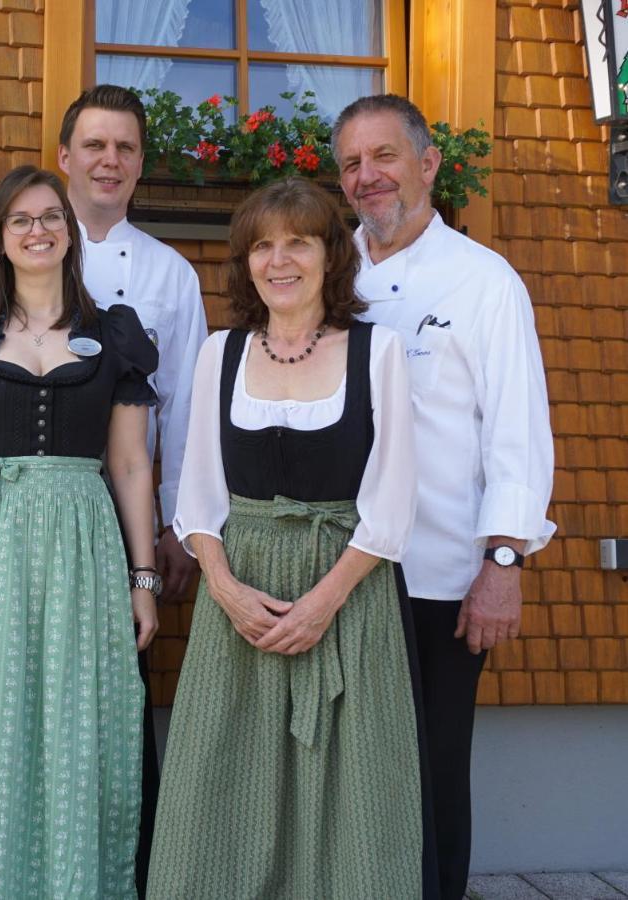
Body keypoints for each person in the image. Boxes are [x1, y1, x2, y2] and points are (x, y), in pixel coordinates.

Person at [148, 178, 428, 899]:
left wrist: (324, 602)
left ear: (330, 257)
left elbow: (392, 503)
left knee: (348, 791)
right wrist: (225, 589)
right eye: (263, 245)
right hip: (239, 594)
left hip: (347, 601)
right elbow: (200, 494)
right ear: (245, 262)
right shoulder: (221, 353)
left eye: (298, 241)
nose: (280, 260)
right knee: (224, 781)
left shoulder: (379, 352)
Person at [0, 85, 206, 887]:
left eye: (125, 148)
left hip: (106, 529)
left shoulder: (169, 275)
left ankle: (93, 874)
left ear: (140, 166)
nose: (109, 160)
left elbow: (184, 413)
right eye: (94, 145)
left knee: (96, 717)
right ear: (64, 158)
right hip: (4, 528)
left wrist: (173, 533)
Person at [0, 165, 160, 899]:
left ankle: (75, 883)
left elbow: (130, 466)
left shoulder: (114, 335)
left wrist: (143, 579)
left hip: (84, 546)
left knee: (80, 720)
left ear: (70, 231)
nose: (37, 230)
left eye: (50, 216)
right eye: (19, 220)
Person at [331, 94, 555, 900]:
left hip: (439, 577)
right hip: (338, 574)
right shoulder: (330, 273)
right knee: (348, 770)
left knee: (430, 769)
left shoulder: (483, 281)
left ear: (428, 165)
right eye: (352, 163)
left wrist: (503, 560)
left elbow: (517, 435)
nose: (368, 177)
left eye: (384, 157)